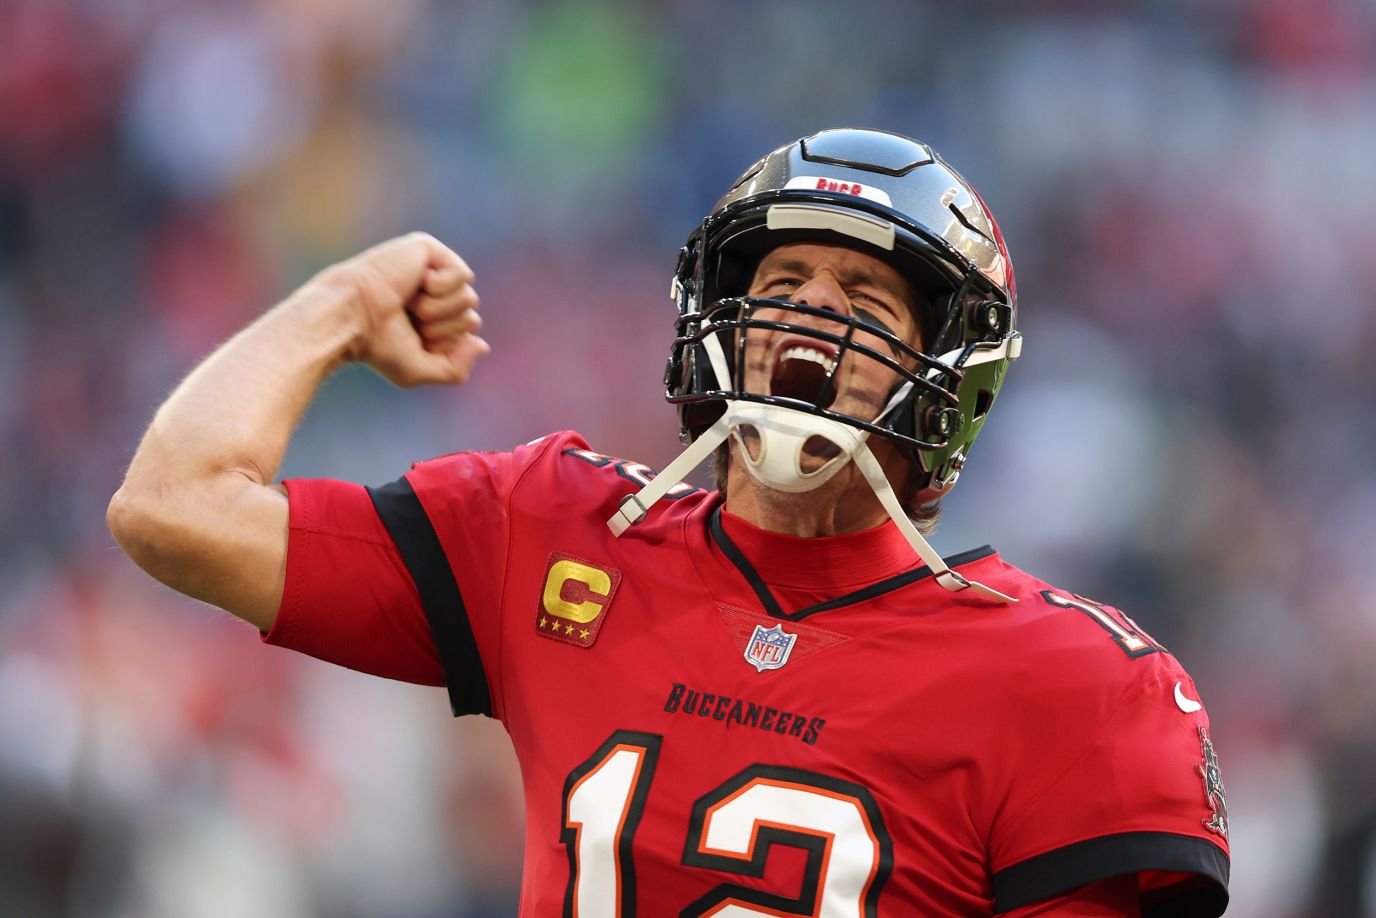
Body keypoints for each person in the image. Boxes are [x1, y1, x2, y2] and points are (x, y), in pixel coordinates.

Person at [108, 128, 1230, 916]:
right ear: (718, 325)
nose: (809, 318)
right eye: (783, 279)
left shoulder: (1068, 682)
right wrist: (337, 306)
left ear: (944, 376)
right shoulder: (554, 531)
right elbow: (175, 511)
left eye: (865, 302)